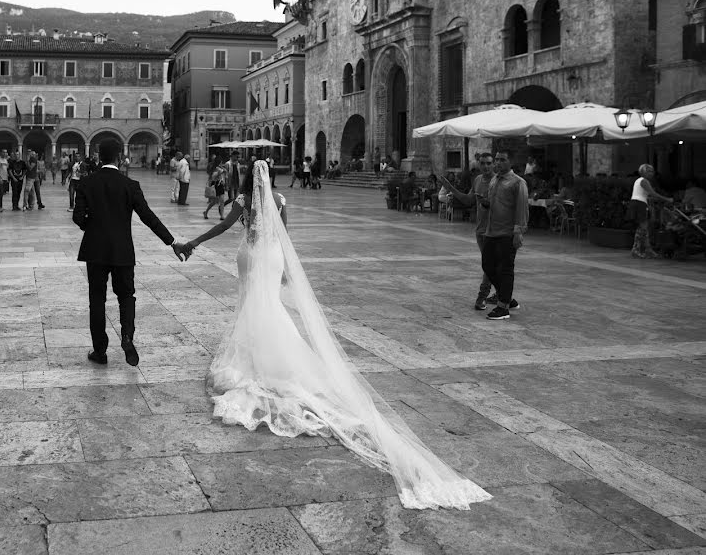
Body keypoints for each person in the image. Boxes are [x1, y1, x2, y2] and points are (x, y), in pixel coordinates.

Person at [179, 161, 491, 511]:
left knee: (253, 304)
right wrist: (286, 273)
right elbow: (285, 237)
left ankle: (258, 356)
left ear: (248, 179)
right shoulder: (280, 200)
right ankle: (273, 352)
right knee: (268, 304)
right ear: (271, 178)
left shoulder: (241, 200)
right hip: (273, 258)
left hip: (251, 257)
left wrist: (192, 241)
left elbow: (223, 226)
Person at [72, 141, 188, 366]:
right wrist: (171, 241)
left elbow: (78, 217)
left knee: (97, 299)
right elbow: (148, 217)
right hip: (122, 250)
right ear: (119, 158)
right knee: (126, 295)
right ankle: (127, 336)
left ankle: (100, 351)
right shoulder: (130, 185)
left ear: (99, 158)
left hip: (95, 250)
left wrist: (94, 228)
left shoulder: (86, 183)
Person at [441, 153, 496, 310]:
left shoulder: (498, 181)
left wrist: (488, 203)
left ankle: (482, 296)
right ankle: (499, 294)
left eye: (489, 163)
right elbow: (468, 200)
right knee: (491, 264)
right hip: (481, 230)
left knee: (491, 264)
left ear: (493, 164)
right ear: (479, 164)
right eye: (483, 163)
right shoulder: (478, 180)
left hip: (496, 228)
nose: (486, 166)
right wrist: (450, 188)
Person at [481, 150, 528, 320]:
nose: (498, 163)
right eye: (497, 160)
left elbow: (522, 208)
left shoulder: (518, 182)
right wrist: (486, 204)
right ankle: (506, 296)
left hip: (507, 233)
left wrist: (518, 232)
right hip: (491, 231)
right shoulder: (494, 180)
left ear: (511, 161)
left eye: (502, 160)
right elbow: (495, 202)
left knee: (505, 269)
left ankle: (503, 308)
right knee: (487, 265)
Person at [629, 164, 672, 258]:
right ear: (643, 172)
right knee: (643, 227)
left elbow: (648, 195)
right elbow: (653, 194)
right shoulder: (643, 181)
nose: (652, 173)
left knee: (643, 227)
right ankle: (637, 250)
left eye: (652, 171)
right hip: (639, 204)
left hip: (639, 203)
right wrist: (667, 199)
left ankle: (646, 249)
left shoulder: (640, 181)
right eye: (649, 171)